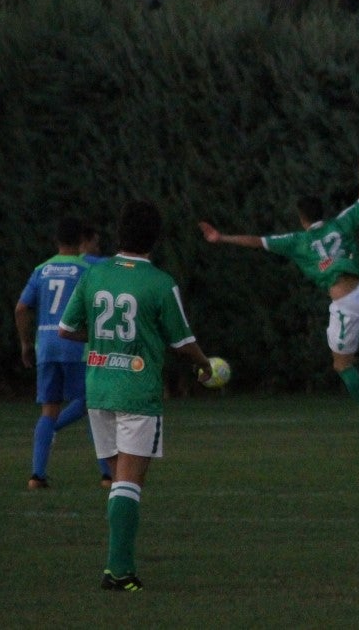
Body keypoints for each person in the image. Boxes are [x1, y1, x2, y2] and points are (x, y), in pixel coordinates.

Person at [58, 200, 216, 593]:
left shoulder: (95, 275)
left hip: (98, 389)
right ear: (155, 239)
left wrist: (99, 339)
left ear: (119, 233)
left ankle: (118, 564)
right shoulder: (160, 283)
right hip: (137, 391)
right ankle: (119, 570)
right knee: (129, 483)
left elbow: (67, 328)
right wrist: (205, 365)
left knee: (118, 482)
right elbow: (183, 341)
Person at [198, 154, 359, 436]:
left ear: (301, 218)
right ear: (322, 214)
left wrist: (222, 238)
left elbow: (257, 242)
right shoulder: (341, 223)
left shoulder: (297, 241)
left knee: (342, 365)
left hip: (348, 305)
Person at [14, 216, 113, 490]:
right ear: (81, 239)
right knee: (93, 407)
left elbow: (21, 308)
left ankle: (37, 475)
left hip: (45, 346)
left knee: (49, 410)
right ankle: (107, 474)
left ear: (56, 240)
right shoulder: (86, 268)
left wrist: (25, 343)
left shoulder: (41, 270)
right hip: (76, 345)